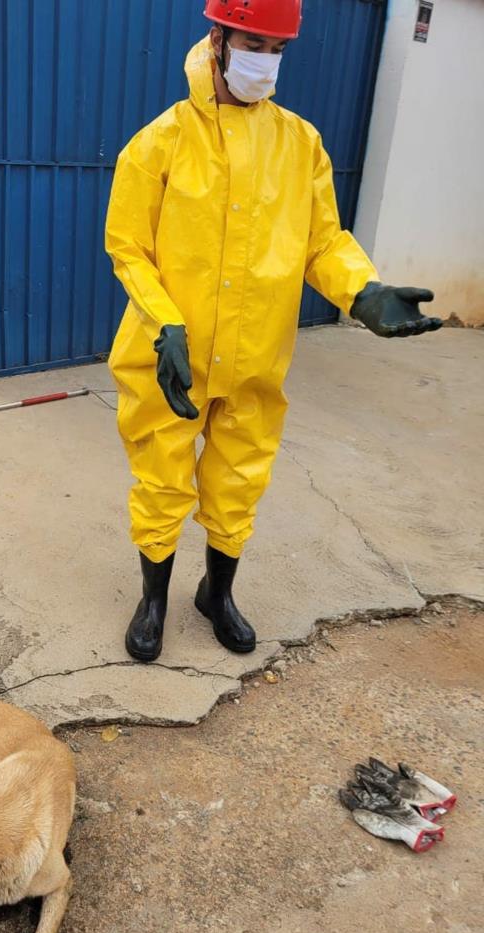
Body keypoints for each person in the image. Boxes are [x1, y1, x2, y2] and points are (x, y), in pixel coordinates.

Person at [105, 0, 442, 663]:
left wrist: (361, 291)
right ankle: (154, 601)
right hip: (171, 355)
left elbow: (323, 242)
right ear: (218, 38)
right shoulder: (160, 142)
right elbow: (128, 249)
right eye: (253, 41)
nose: (265, 59)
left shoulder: (300, 144)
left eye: (278, 47)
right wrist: (165, 322)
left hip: (257, 356)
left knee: (239, 478)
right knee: (162, 478)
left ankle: (216, 594)